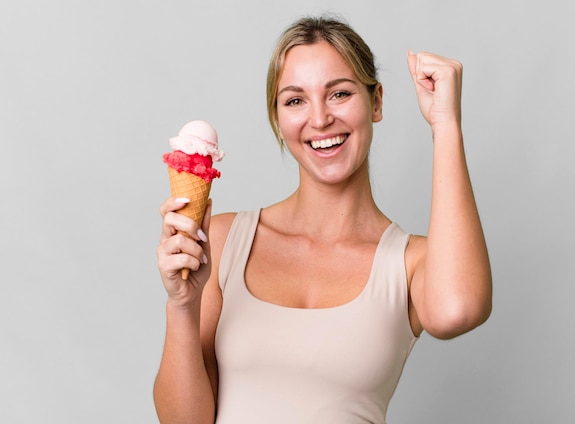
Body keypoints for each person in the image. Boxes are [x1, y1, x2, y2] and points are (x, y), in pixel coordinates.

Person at [154, 15, 492, 424]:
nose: (319, 119)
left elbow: (459, 310)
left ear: (377, 101)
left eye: (339, 94)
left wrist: (446, 124)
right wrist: (183, 305)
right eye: (295, 100)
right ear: (278, 119)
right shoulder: (224, 242)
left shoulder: (410, 263)